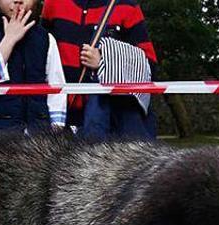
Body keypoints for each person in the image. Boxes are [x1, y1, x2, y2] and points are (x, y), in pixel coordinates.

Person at [41, 0, 157, 139]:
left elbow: (148, 66)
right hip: (60, 118)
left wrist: (106, 60)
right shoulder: (53, 4)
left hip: (109, 121)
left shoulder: (128, 7)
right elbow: (41, 52)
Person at [0, 0, 67, 132]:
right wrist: (9, 40)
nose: (18, 0)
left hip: (38, 137)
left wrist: (56, 130)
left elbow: (56, 88)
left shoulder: (45, 38)